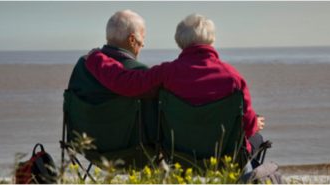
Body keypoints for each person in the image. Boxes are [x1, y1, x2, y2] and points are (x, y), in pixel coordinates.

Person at [84, 13, 265, 155]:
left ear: (180, 41)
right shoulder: (233, 78)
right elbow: (247, 128)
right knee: (257, 138)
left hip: (179, 154)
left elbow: (125, 82)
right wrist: (255, 123)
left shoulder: (166, 73)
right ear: (212, 40)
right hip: (225, 154)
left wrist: (95, 58)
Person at [67, 9, 157, 146]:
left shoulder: (82, 65)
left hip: (86, 146)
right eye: (142, 39)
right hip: (131, 150)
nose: (143, 45)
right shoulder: (139, 72)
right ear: (132, 39)